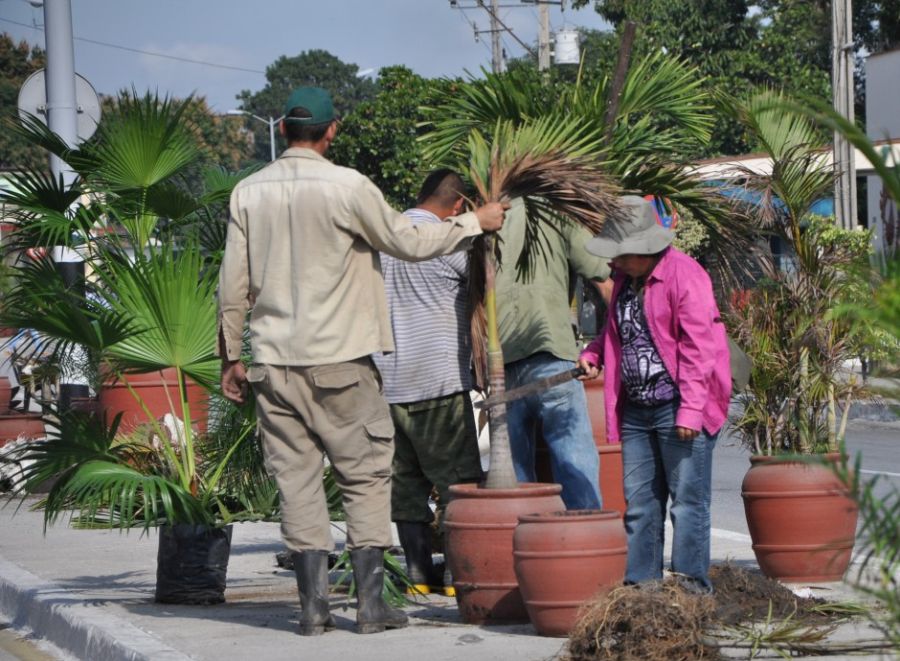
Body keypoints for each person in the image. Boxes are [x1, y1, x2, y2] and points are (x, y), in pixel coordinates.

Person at [217, 87, 507, 636]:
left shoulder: (248, 192)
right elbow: (409, 242)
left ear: (282, 130)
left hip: (273, 365)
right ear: (332, 132)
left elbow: (232, 285)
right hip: (342, 363)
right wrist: (476, 223)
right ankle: (371, 608)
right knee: (366, 477)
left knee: (298, 483)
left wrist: (232, 356)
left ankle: (312, 609)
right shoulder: (348, 186)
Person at [577, 195, 731, 592]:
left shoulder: (686, 275)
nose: (613, 264)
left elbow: (701, 349)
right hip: (637, 409)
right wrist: (594, 352)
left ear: (642, 250)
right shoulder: (628, 281)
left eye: (620, 255)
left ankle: (689, 588)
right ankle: (641, 587)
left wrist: (691, 412)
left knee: (687, 502)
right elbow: (621, 332)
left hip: (679, 406)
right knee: (641, 504)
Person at [372, 169, 483, 597]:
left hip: (388, 386)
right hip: (438, 382)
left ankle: (419, 575)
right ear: (458, 206)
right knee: (458, 484)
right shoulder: (450, 240)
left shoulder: (386, 236)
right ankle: (458, 575)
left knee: (405, 486)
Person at [496, 198, 608, 510]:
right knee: (574, 461)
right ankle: (585, 542)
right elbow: (603, 276)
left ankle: (525, 547)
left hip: (500, 364)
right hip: (551, 354)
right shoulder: (558, 213)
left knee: (516, 478)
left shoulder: (491, 218)